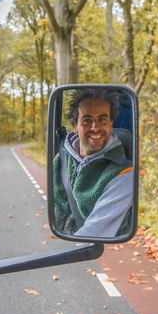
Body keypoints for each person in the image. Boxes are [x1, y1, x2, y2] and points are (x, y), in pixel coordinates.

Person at [53, 88, 133, 238]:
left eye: (102, 120)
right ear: (75, 126)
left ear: (111, 124)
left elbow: (95, 231)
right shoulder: (60, 161)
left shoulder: (124, 174)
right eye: (87, 120)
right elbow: (56, 213)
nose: (95, 128)